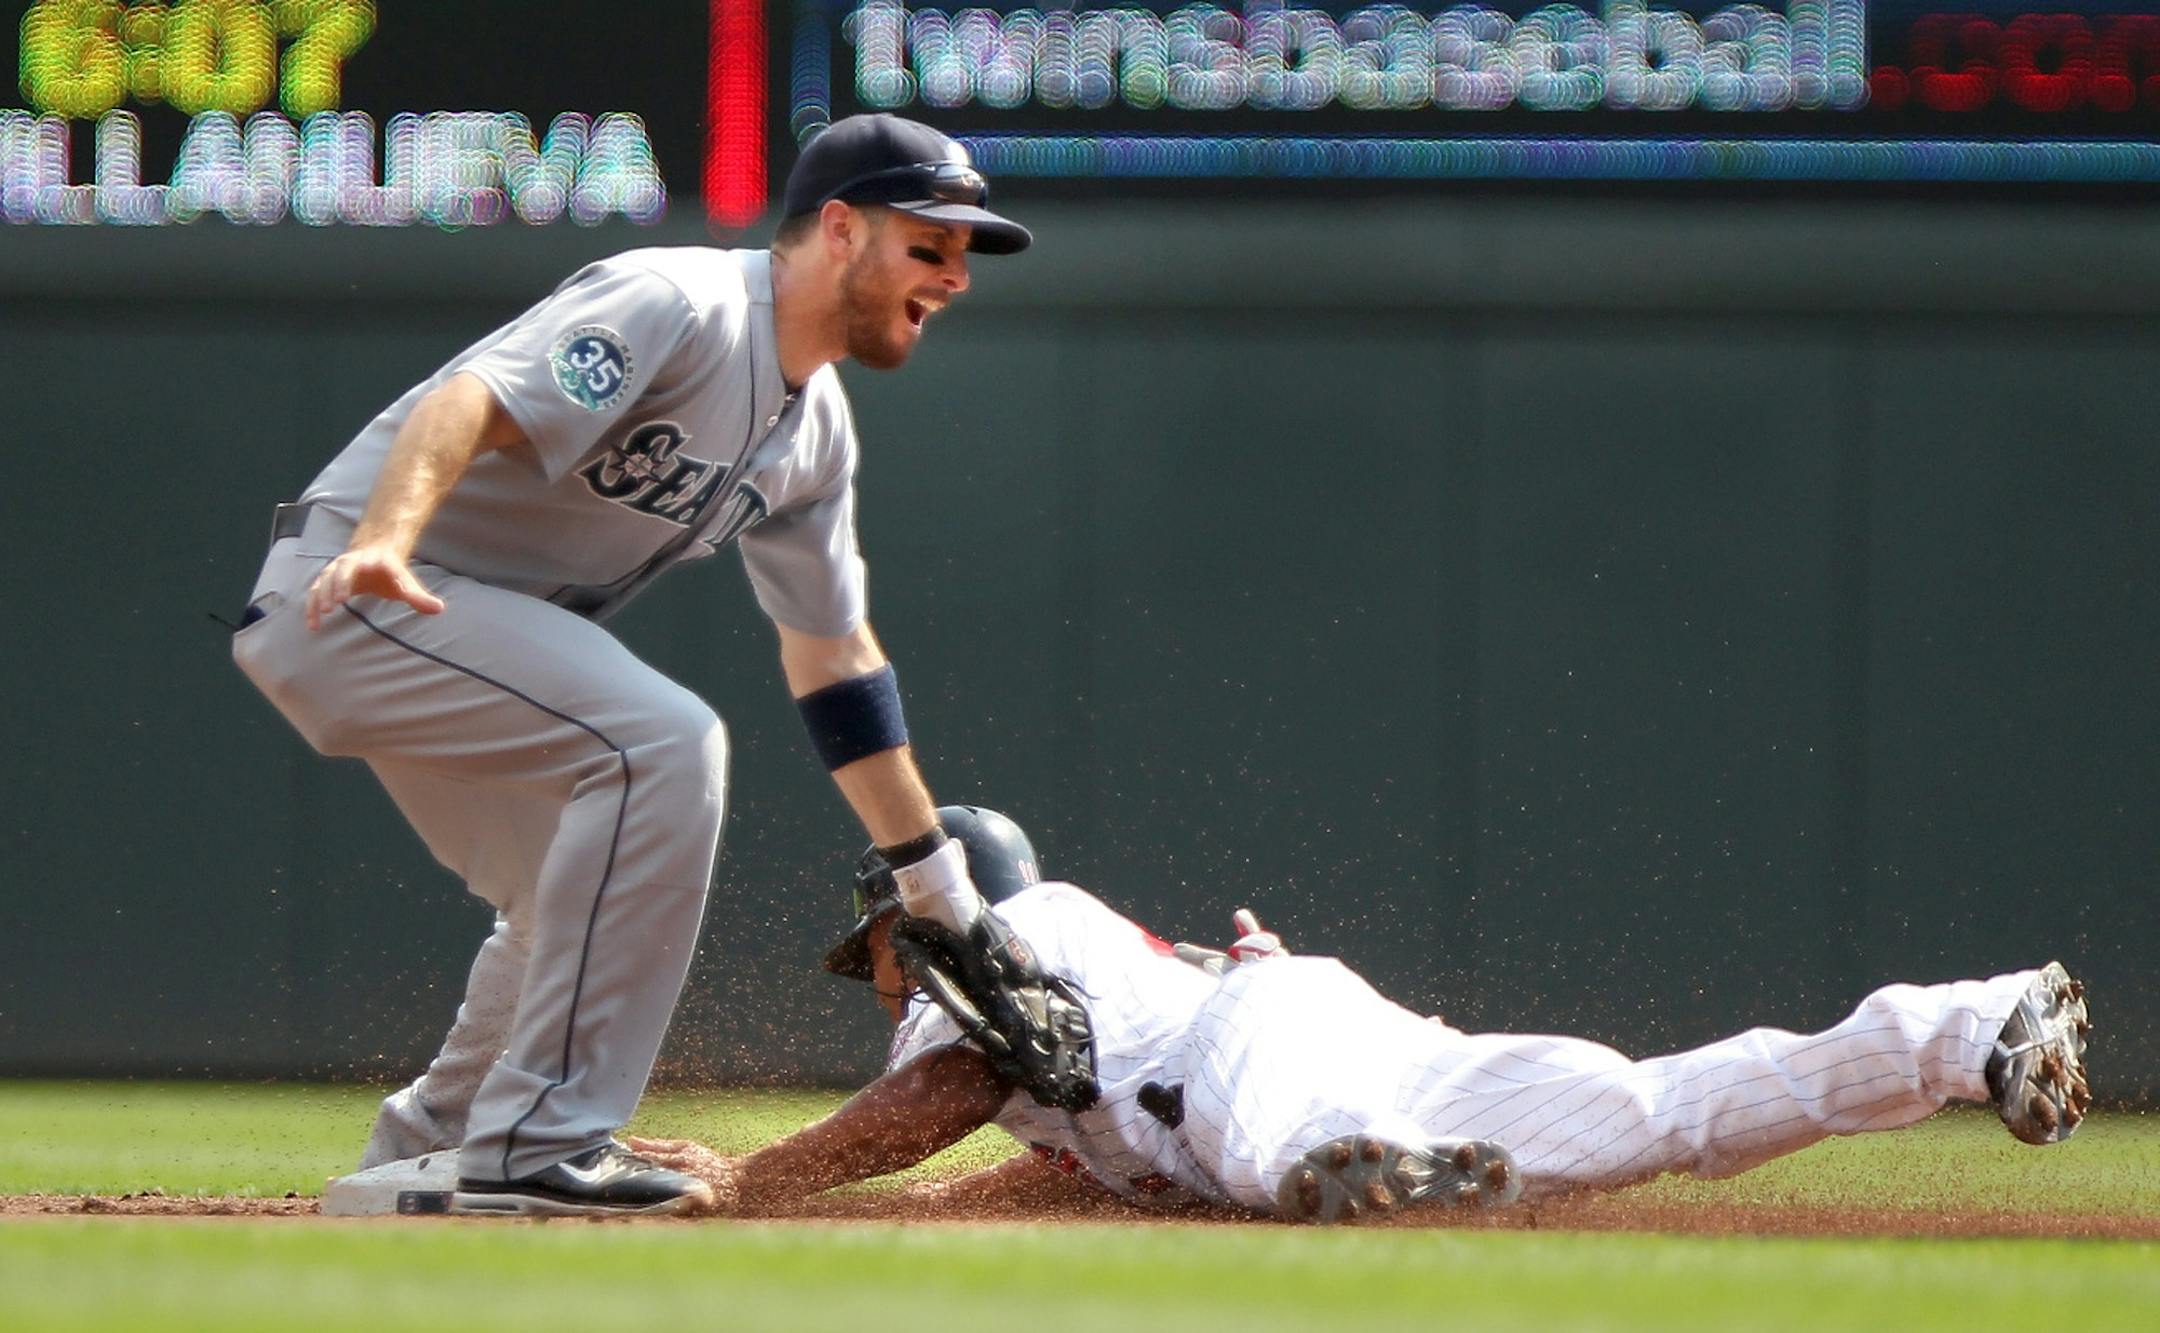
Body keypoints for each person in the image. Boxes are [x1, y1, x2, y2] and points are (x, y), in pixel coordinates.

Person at [236, 115, 1095, 1218]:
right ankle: (542, 1143)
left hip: (463, 635)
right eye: (930, 246)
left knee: (569, 893)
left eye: (962, 256)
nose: (954, 277)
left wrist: (942, 890)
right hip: (361, 593)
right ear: (840, 229)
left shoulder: (814, 433)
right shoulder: (678, 301)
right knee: (663, 742)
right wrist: (386, 538)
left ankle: (428, 1154)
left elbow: (837, 662)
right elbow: (471, 401)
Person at [627, 807, 2094, 1224]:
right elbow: (1065, 1156)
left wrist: (760, 1180)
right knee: (1664, 1116)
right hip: (1348, 1045)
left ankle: (1365, 1162)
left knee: (1275, 1157)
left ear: (920, 917)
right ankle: (1967, 1028)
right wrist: (910, 1215)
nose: (878, 971)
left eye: (880, 942)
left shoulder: (1001, 939)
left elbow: (933, 1101)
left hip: (1261, 1056)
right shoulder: (1081, 1011)